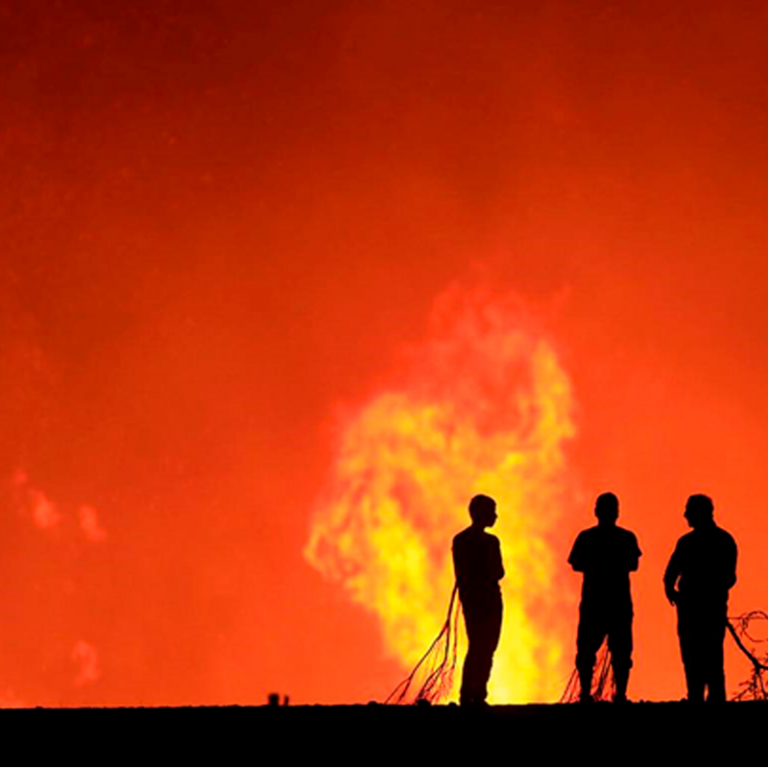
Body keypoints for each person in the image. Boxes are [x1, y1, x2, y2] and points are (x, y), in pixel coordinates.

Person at [664, 494, 737, 703]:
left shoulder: (702, 541)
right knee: (700, 654)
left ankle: (708, 698)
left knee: (706, 654)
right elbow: (670, 573)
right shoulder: (721, 540)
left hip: (703, 607)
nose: (685, 515)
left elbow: (728, 577)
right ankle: (701, 697)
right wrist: (670, 589)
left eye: (689, 510)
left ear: (700, 512)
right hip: (697, 606)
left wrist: (674, 589)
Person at [568, 492, 641, 703]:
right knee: (594, 650)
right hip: (604, 602)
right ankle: (596, 694)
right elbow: (576, 563)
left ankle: (609, 694)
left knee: (617, 650)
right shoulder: (622, 537)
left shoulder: (592, 537)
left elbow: (576, 563)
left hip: (607, 602)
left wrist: (598, 564)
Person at [452, 494, 504, 706]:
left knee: (478, 647)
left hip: (471, 601)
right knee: (485, 647)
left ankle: (470, 694)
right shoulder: (491, 542)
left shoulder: (460, 540)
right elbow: (499, 572)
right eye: (492, 511)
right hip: (489, 601)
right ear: (482, 513)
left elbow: (462, 575)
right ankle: (476, 694)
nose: (495, 516)